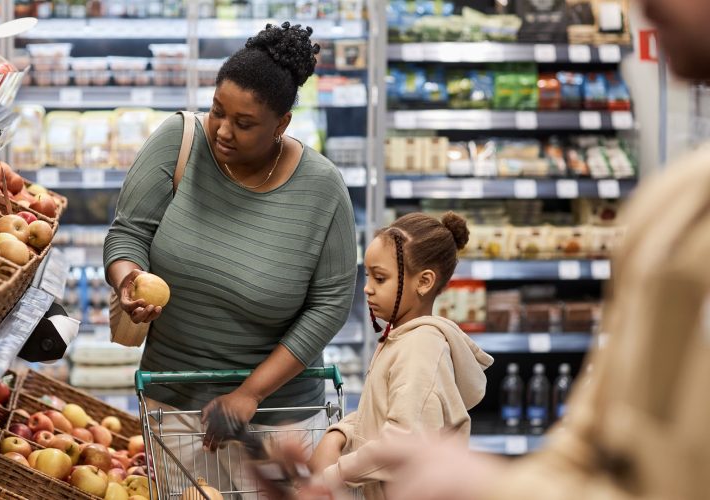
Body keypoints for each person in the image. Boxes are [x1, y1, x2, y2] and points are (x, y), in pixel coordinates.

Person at [256, 1, 710, 499]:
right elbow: (593, 449)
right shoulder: (668, 211)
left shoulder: (422, 345)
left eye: (380, 277)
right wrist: (346, 440)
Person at [103, 22, 357, 494]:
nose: (222, 130)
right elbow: (128, 233)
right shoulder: (178, 142)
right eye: (218, 111)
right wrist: (128, 280)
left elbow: (330, 304)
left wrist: (250, 394)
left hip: (279, 423)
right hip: (175, 409)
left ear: (281, 124)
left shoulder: (322, 189)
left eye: (244, 124)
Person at [305, 212, 493, 499]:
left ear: (425, 281)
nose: (367, 288)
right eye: (368, 275)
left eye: (380, 278)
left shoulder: (421, 348)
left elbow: (403, 441)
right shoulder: (402, 338)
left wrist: (334, 475)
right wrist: (341, 433)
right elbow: (385, 412)